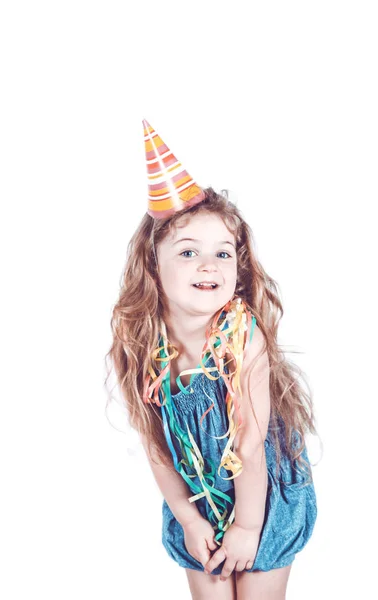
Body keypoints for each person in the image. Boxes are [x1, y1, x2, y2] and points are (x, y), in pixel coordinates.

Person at [105, 119, 319, 600]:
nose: (210, 264)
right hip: (195, 494)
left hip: (261, 493)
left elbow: (248, 445)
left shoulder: (242, 337)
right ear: (152, 266)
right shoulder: (140, 347)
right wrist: (186, 517)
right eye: (188, 251)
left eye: (224, 253)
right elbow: (157, 445)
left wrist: (246, 526)